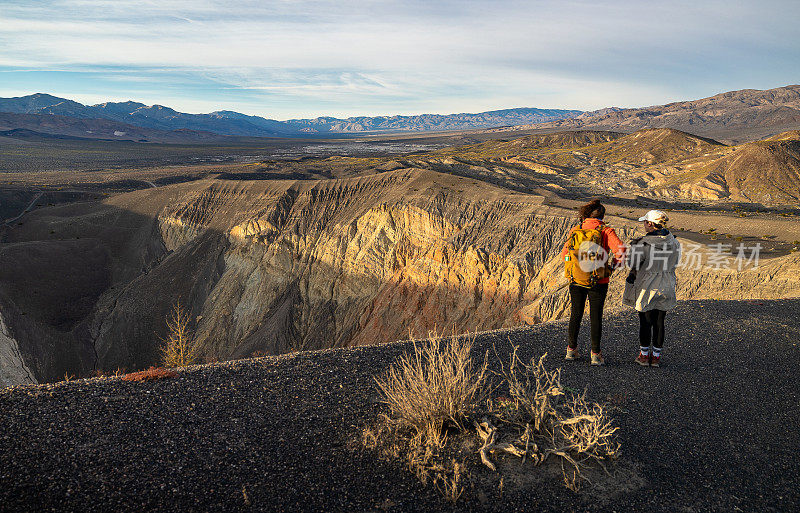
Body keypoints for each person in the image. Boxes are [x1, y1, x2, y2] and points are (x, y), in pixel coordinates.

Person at [561, 199, 625, 366]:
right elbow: (622, 251)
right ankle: (596, 355)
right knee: (596, 316)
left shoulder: (577, 229)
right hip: (599, 280)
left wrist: (572, 264)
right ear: (603, 216)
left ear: (587, 214)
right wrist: (612, 267)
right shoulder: (605, 231)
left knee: (576, 313)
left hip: (576, 279)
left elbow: (564, 255)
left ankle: (571, 350)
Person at [623, 209, 681, 367]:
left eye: (645, 222)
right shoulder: (674, 242)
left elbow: (632, 264)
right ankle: (655, 357)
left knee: (646, 321)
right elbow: (675, 262)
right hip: (667, 284)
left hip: (648, 285)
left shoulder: (643, 244)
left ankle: (643, 356)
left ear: (650, 224)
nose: (643, 225)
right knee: (660, 321)